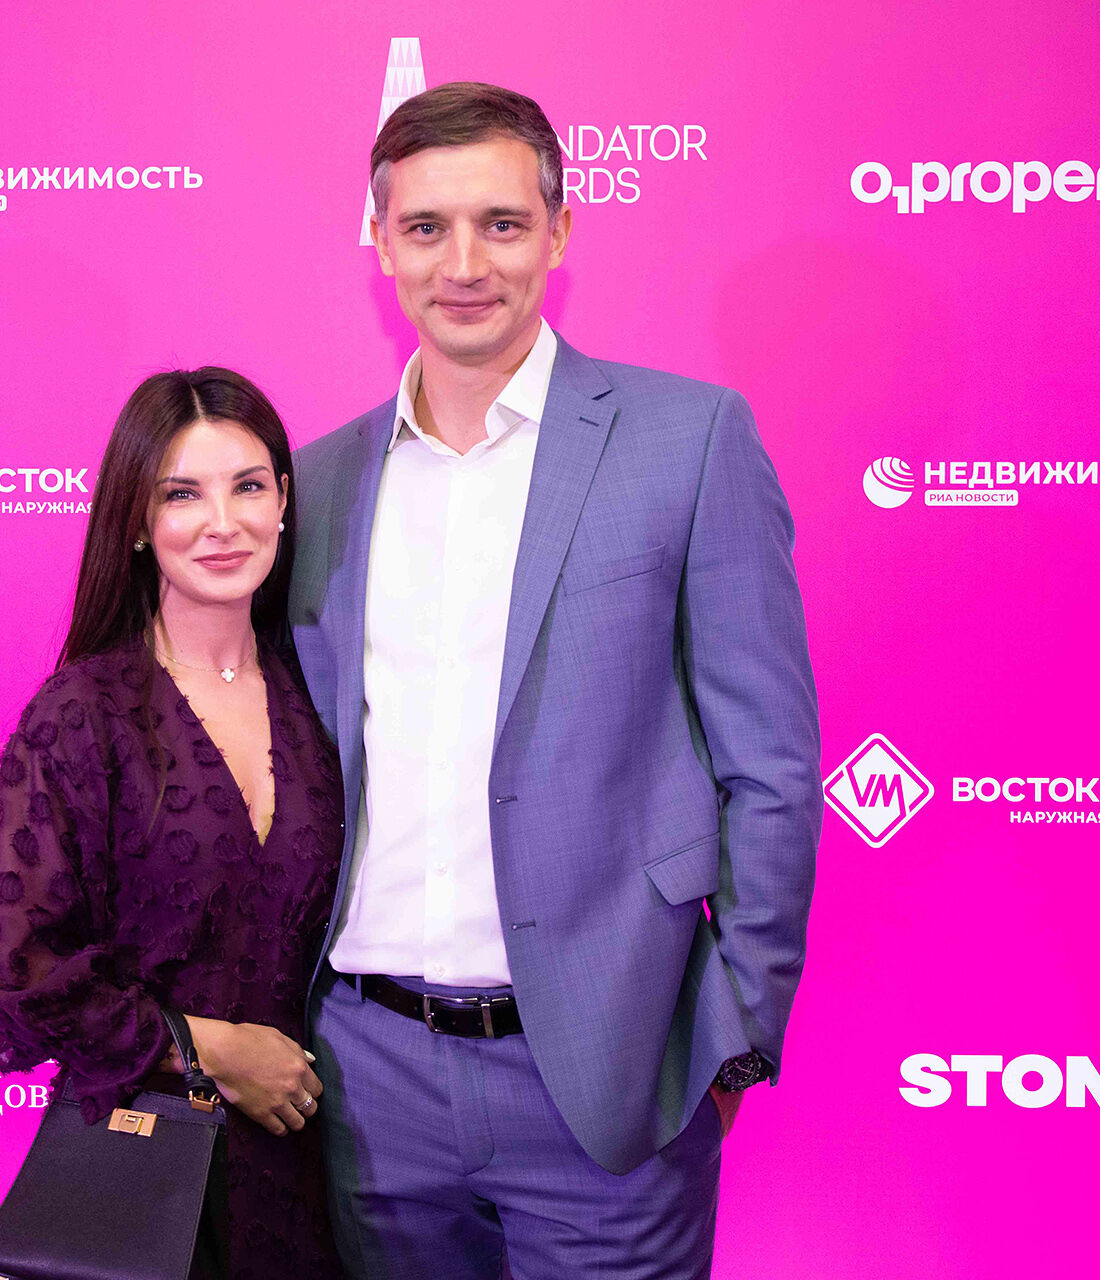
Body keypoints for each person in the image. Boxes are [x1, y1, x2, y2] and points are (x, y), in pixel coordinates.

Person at [290, 82, 822, 1279]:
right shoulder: (317, 484)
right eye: (425, 227)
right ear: (380, 244)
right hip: (367, 1082)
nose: (463, 264)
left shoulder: (689, 440)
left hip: (608, 1072)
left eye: (501, 222)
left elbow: (773, 767)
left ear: (561, 230)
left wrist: (732, 1035)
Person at [0, 368, 343, 1278]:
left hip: (309, 1176)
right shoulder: (85, 711)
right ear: (136, 520)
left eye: (248, 486)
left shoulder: (320, 695)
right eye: (183, 494)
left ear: (285, 502)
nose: (223, 522)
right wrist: (208, 1049)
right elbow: (5, 969)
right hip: (142, 1179)